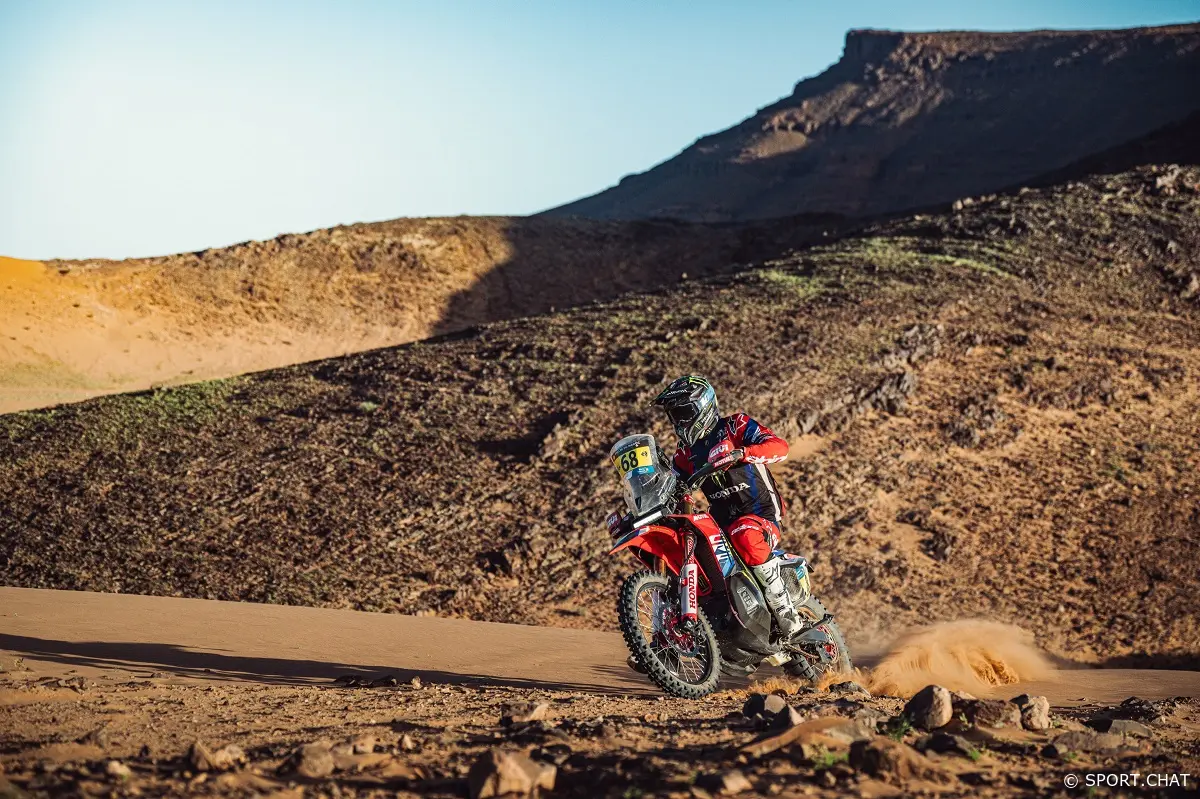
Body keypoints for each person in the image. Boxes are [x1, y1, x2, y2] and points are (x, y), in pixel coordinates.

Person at [642, 375, 804, 639]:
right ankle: (669, 641)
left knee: (745, 533)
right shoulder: (685, 454)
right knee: (686, 550)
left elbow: (780, 447)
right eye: (674, 416)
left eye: (684, 413)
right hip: (722, 524)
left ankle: (787, 614)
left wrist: (743, 453)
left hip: (760, 513)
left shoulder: (735, 426)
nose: (679, 422)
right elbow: (673, 487)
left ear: (703, 406)